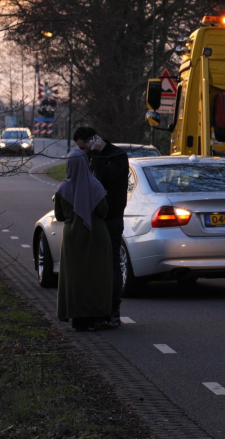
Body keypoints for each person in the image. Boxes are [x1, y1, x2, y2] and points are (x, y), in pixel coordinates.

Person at [73, 127, 129, 328]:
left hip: (111, 217)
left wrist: (95, 153)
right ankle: (96, 311)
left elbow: (103, 176)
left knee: (112, 264)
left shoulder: (117, 155)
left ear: (94, 140)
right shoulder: (90, 155)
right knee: (94, 266)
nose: (84, 152)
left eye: (84, 147)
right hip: (92, 217)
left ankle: (113, 312)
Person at [55, 149, 113, 331]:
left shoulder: (62, 189)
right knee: (97, 276)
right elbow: (104, 211)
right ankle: (97, 316)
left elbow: (59, 216)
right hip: (96, 236)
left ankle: (76, 316)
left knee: (74, 277)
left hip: (73, 238)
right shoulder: (95, 186)